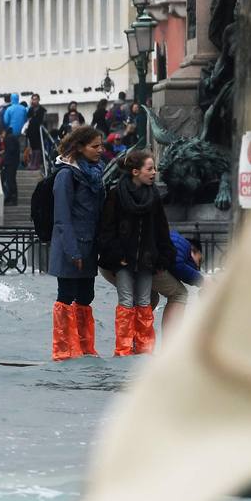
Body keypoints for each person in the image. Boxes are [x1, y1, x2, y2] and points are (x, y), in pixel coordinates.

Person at [96, 149, 173, 356]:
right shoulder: (116, 194)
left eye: (154, 169)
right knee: (126, 301)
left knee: (144, 302)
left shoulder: (154, 196)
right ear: (135, 172)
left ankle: (144, 349)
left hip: (147, 260)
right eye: (150, 169)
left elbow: (161, 229)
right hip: (122, 260)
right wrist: (117, 255)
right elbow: (107, 228)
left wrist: (162, 257)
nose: (154, 172)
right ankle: (123, 349)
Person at [47, 125, 106, 361]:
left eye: (101, 145)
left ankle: (84, 348)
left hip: (89, 245)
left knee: (86, 296)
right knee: (66, 295)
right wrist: (73, 251)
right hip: (70, 247)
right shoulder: (65, 175)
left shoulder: (96, 173)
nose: (100, 150)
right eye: (95, 146)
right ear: (80, 148)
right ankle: (62, 350)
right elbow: (62, 217)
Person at [25, 94, 47, 172]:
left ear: (38, 100)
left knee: (37, 147)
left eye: (36, 99)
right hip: (31, 131)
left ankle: (36, 164)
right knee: (32, 147)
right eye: (33, 99)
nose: (34, 101)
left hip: (38, 131)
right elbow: (28, 119)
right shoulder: (30, 109)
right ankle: (32, 163)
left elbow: (44, 121)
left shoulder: (42, 110)